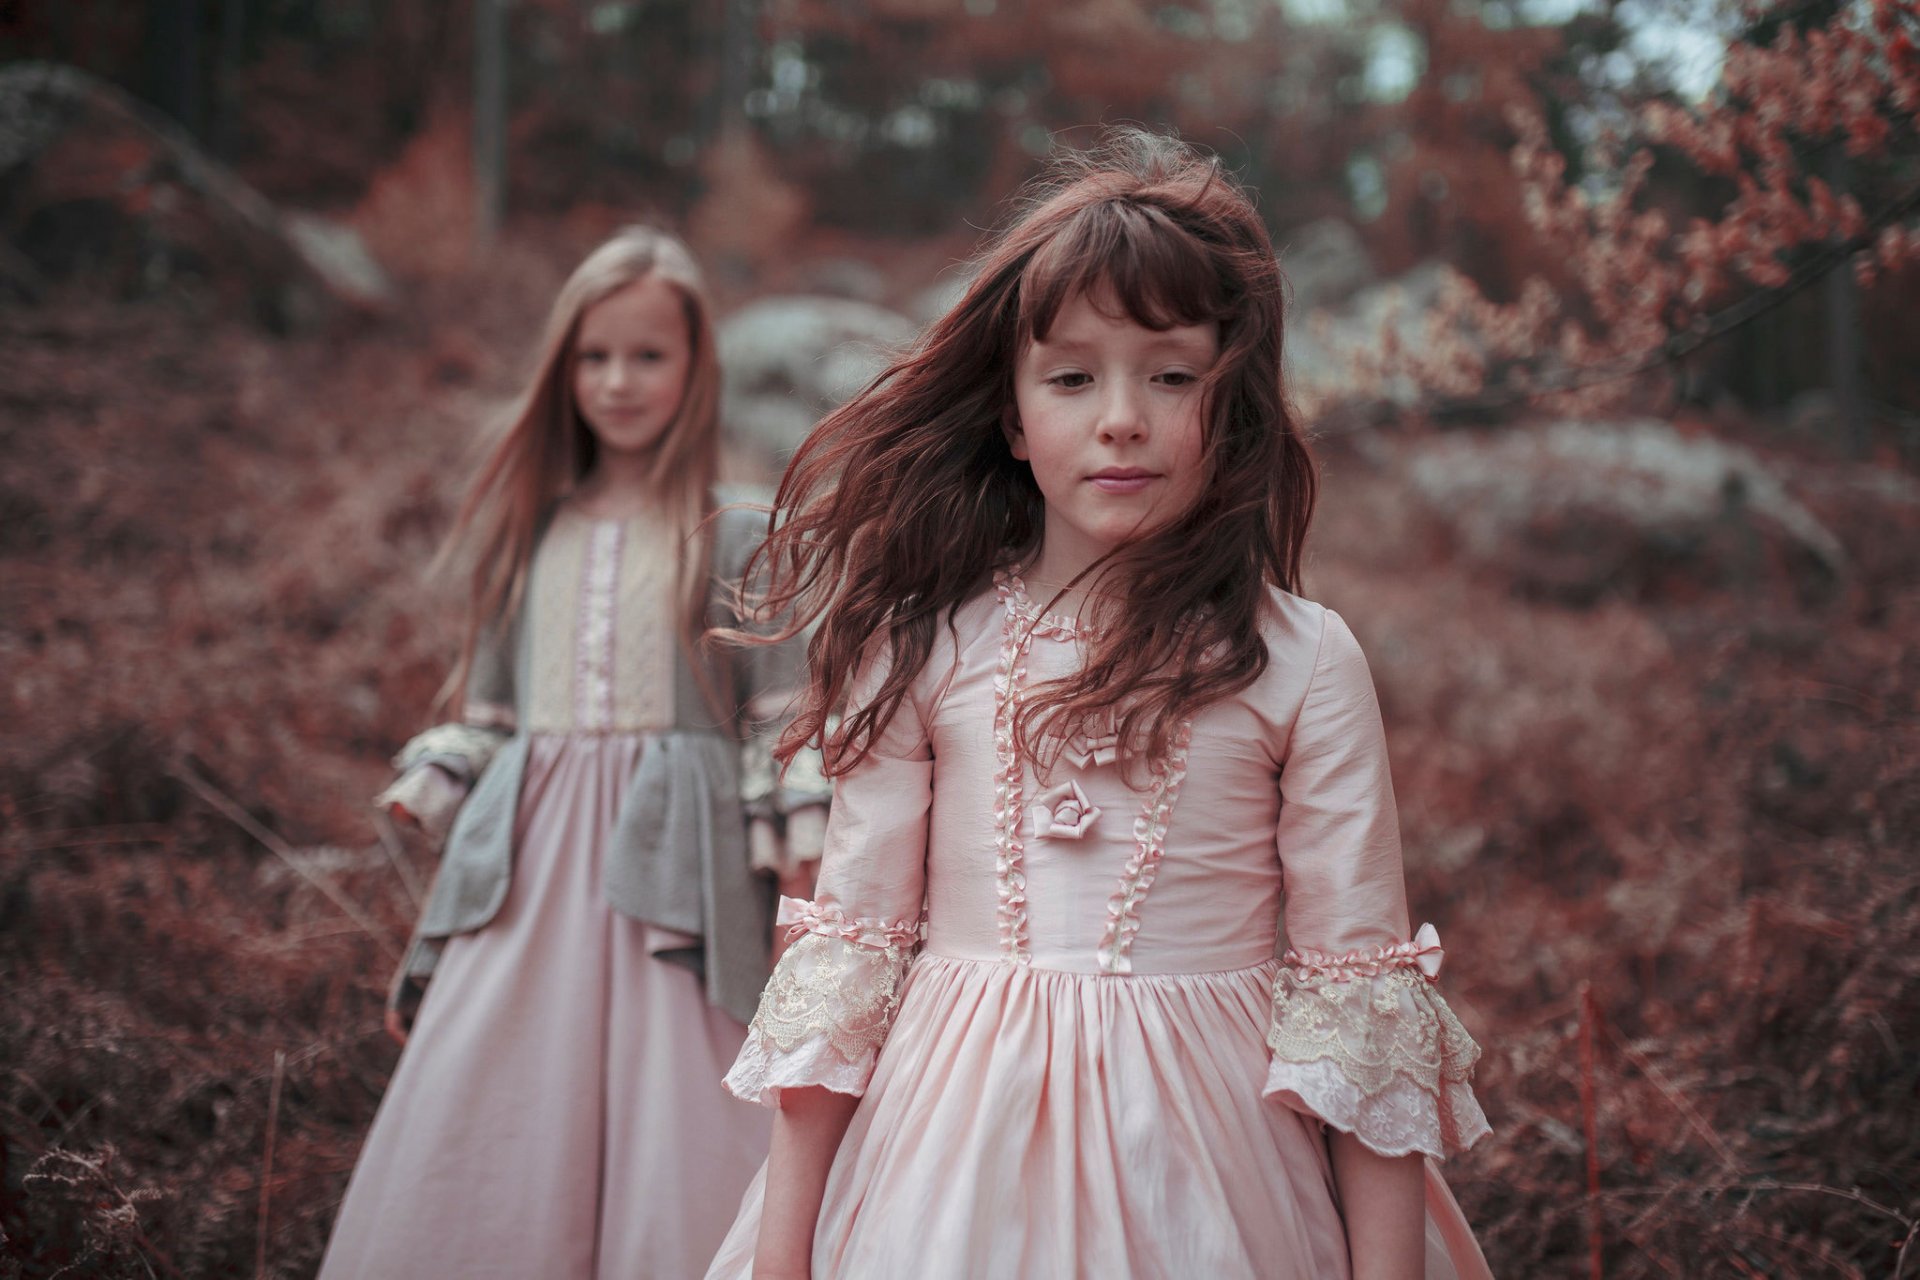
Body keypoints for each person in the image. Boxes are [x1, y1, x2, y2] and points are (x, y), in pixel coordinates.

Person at [707, 131, 1492, 1280]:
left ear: (1228, 408)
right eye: (1072, 377)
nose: (1122, 417)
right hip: (945, 1170)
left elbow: (1359, 1005)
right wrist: (782, 1258)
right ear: (1015, 421)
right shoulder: (920, 641)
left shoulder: (1301, 657)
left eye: (1171, 375)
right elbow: (850, 973)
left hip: (1219, 1173)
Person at [319, 226, 827, 1280]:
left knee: (678, 1117)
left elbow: (779, 724)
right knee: (491, 1096)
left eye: (649, 355)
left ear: (697, 368)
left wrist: (800, 894)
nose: (619, 380)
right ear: (564, 368)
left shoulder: (732, 533)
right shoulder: (527, 531)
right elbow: (494, 717)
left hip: (682, 884)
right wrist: (436, 829)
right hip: (530, 877)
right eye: (595, 357)